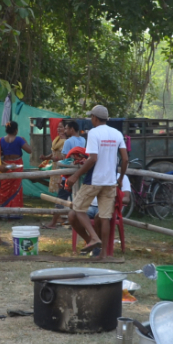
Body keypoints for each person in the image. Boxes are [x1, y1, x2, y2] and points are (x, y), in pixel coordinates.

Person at [67, 105, 127, 259]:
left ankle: (93, 238)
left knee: (77, 208)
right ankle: (104, 254)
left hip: (94, 179)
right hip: (110, 181)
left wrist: (75, 175)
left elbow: (93, 158)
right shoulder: (117, 133)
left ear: (94, 118)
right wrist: (120, 178)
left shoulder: (93, 133)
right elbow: (125, 159)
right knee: (105, 217)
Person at [45, 120, 84, 229]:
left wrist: (60, 175)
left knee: (60, 198)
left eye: (66, 128)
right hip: (79, 173)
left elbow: (64, 159)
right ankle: (76, 223)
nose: (65, 131)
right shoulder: (83, 140)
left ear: (72, 129)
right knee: (76, 199)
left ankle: (53, 223)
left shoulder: (68, 142)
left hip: (67, 174)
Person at [0, 121, 32, 211]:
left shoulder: (0, 140)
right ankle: (15, 211)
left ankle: (3, 210)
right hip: (17, 165)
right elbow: (30, 150)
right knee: (16, 188)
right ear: (16, 130)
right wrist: (25, 141)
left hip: (5, 166)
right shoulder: (19, 139)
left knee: (4, 187)